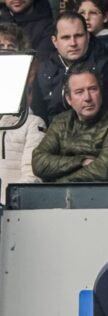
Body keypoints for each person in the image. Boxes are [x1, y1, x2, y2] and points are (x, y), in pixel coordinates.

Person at [32, 65, 108, 183]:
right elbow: (38, 162)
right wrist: (81, 161)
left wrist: (59, 183)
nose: (87, 97)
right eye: (79, 92)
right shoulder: (61, 121)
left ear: (101, 93)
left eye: (92, 89)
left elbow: (103, 171)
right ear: (69, 99)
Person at [32, 12, 108, 123]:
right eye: (66, 37)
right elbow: (39, 117)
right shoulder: (43, 70)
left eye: (78, 36)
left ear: (87, 36)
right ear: (55, 41)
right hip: (52, 135)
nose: (73, 43)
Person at [0, 23, 44, 200]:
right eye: (0, 47)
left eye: (10, 47)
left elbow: (31, 177)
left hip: (10, 214)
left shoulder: (32, 122)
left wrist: (5, 203)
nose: (4, 53)